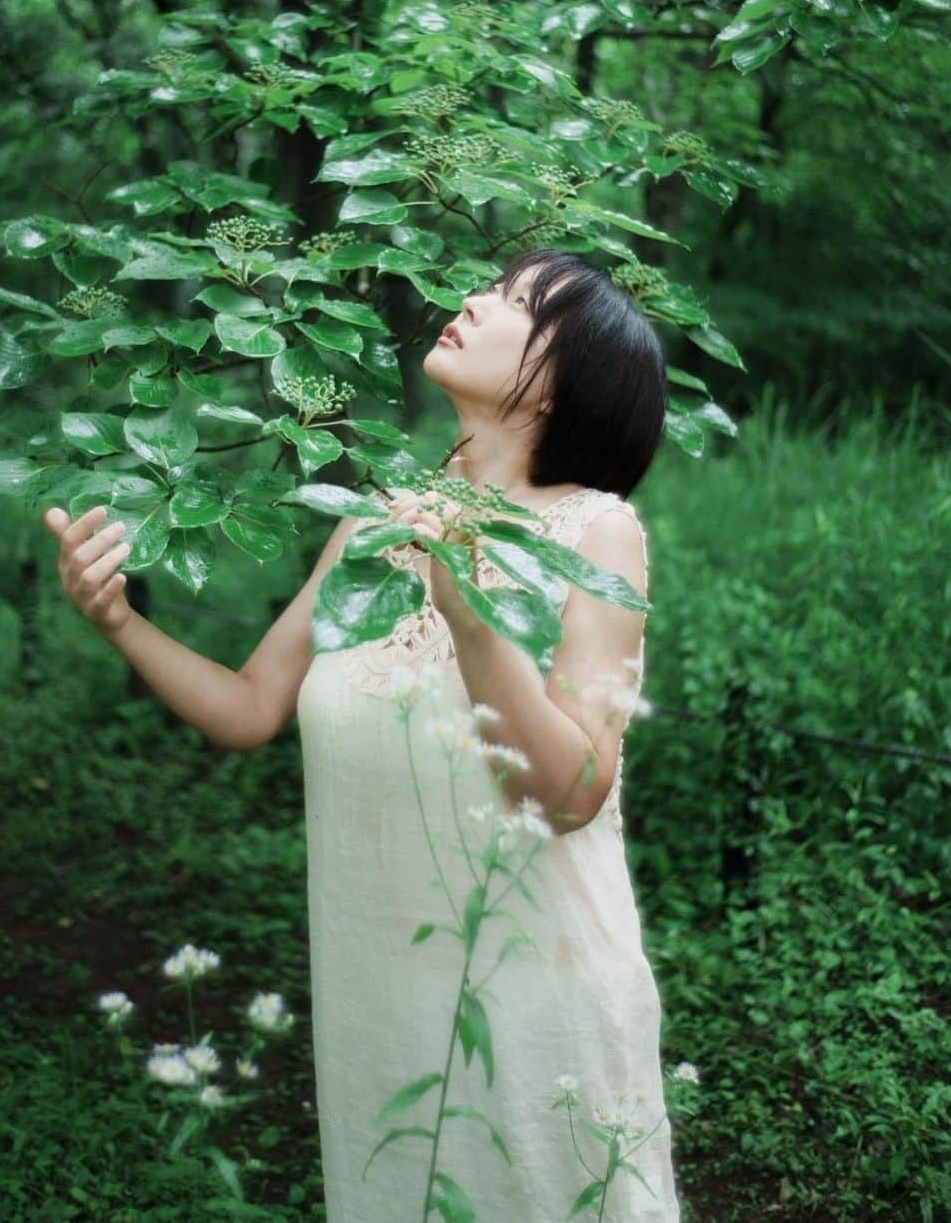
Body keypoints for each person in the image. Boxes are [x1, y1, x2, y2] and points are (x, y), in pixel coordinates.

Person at [43, 246, 681, 1221]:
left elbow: (574, 790)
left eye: (513, 300)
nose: (471, 300)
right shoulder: (374, 524)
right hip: (379, 1009)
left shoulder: (598, 532)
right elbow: (253, 705)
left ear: (559, 380)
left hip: (535, 1007)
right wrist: (119, 621)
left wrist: (468, 615)